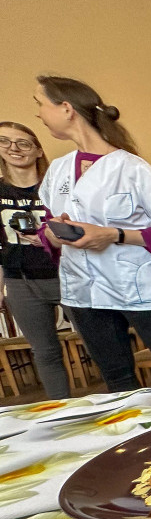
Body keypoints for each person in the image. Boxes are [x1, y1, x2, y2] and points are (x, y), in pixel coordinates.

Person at [33, 76, 151, 392]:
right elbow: (46, 226)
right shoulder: (57, 170)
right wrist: (54, 235)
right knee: (117, 379)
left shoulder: (132, 168)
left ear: (66, 108)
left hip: (136, 284)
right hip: (82, 289)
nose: (38, 113)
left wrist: (112, 235)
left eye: (40, 104)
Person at [0, 121, 69, 399]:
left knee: (97, 343)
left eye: (23, 142)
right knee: (45, 352)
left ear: (38, 150)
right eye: (4, 141)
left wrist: (51, 239)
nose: (14, 148)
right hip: (21, 282)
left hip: (67, 275)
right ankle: (63, 411)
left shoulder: (56, 188)